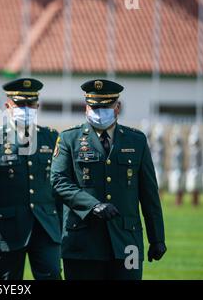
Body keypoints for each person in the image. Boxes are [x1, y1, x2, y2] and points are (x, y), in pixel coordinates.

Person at [50, 79, 166, 280]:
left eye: (105, 106)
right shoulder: (69, 138)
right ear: (86, 108)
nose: (99, 111)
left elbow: (149, 194)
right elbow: (58, 181)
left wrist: (157, 238)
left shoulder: (136, 140)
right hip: (82, 242)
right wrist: (93, 205)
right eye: (94, 107)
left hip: (126, 242)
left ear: (117, 107)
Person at [0, 78, 62, 280]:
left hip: (46, 226)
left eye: (30, 104)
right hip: (8, 229)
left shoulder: (51, 138)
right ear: (8, 106)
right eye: (20, 104)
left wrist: (64, 225)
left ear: (37, 106)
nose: (26, 109)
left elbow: (60, 185)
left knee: (52, 275)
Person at [185, 124, 203, 206]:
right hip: (192, 169)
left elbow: (199, 161)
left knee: (196, 187)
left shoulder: (198, 151)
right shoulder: (191, 150)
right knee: (192, 186)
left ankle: (196, 202)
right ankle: (193, 201)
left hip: (197, 169)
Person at [168, 125, 186, 205]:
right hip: (175, 169)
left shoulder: (179, 150)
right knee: (176, 186)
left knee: (179, 187)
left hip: (178, 169)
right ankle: (177, 201)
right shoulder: (175, 150)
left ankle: (179, 201)